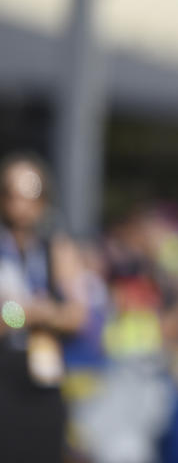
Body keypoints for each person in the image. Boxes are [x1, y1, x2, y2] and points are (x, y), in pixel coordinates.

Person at [0, 152, 89, 463]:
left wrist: (28, 312)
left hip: (43, 372)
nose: (20, 205)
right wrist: (28, 313)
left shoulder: (55, 247)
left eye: (30, 195)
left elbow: (78, 314)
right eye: (11, 194)